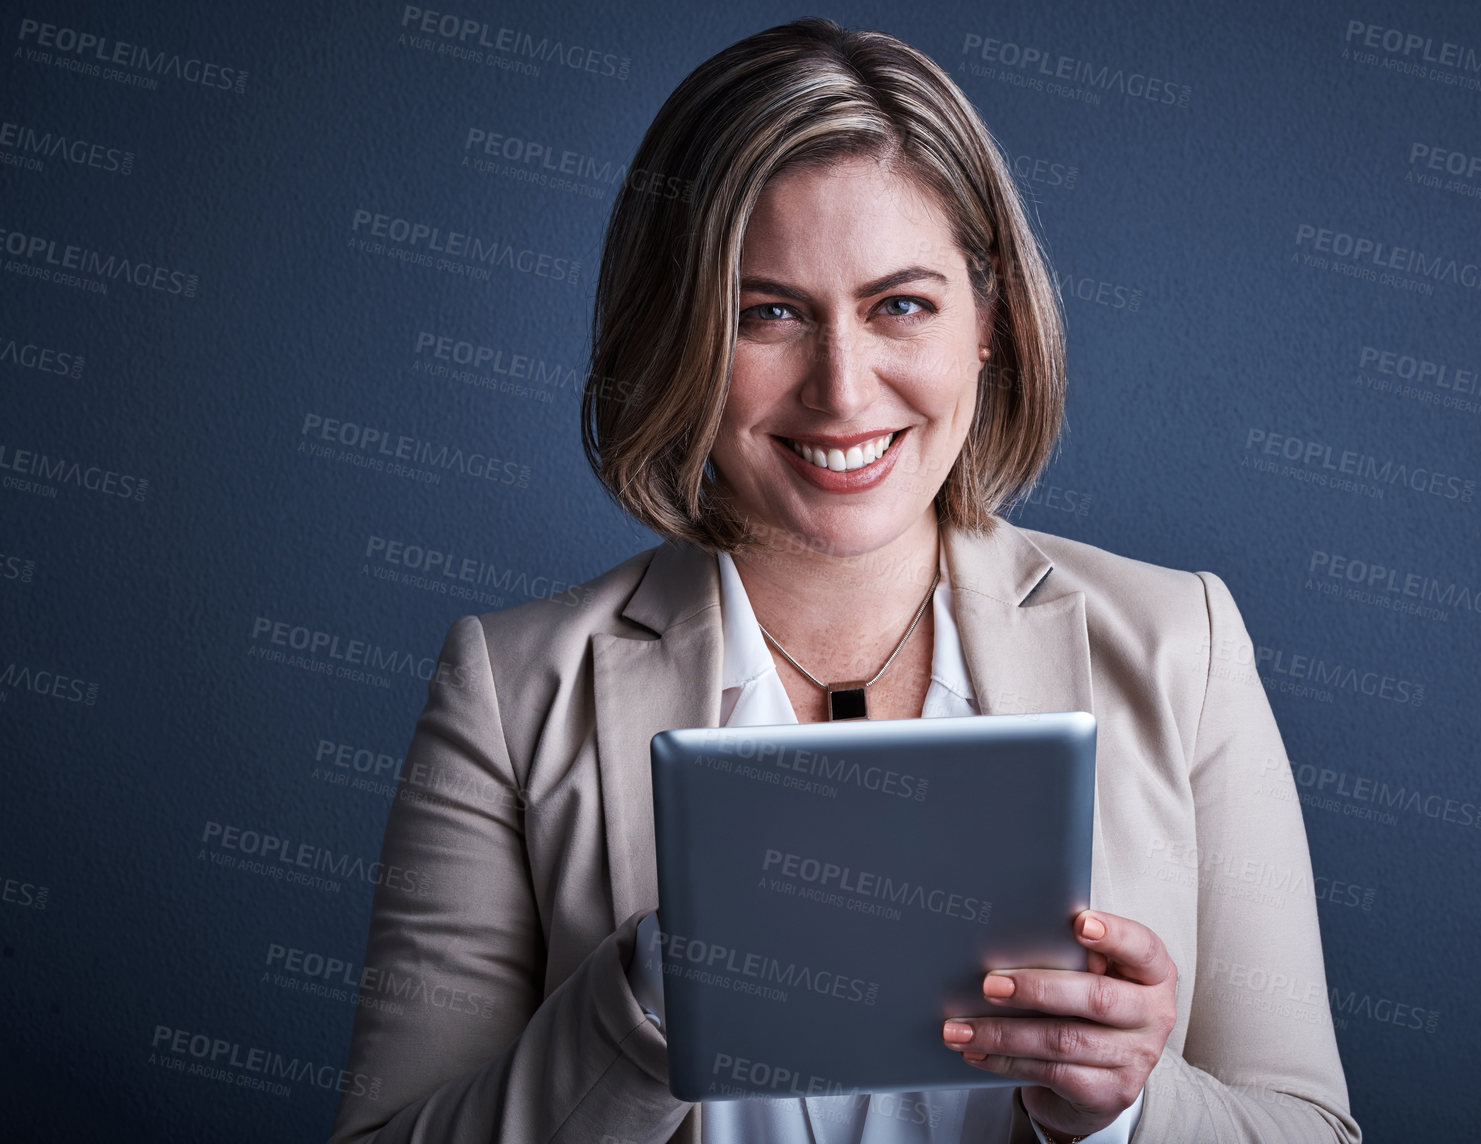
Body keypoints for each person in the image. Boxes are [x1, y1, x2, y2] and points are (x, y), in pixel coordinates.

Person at [330, 18, 1359, 1144]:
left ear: (989, 324)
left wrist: (1121, 1111)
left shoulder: (1183, 647)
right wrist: (649, 1001)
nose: (841, 389)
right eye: (765, 312)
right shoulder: (512, 689)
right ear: (675, 336)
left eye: (899, 305)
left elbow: (1308, 1128)